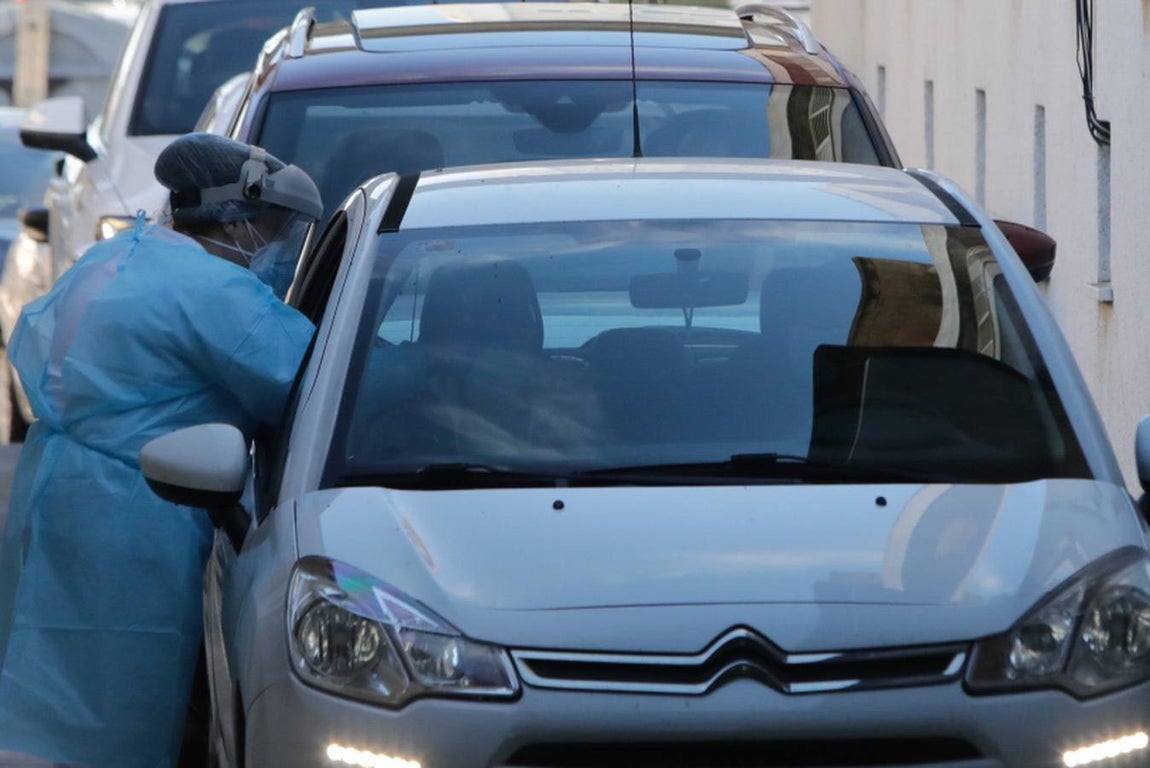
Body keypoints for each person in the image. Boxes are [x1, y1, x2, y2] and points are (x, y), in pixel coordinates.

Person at [0, 133, 322, 767]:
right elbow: (302, 382)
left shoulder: (118, 255)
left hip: (58, 489)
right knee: (119, 700)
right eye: (274, 227)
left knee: (44, 687)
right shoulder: (218, 293)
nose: (280, 245)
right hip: (135, 516)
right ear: (238, 219)